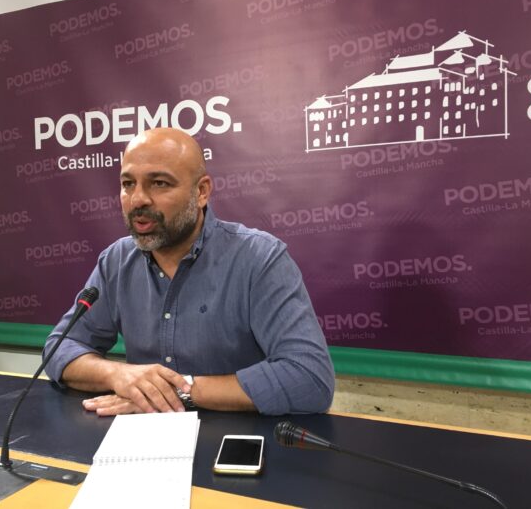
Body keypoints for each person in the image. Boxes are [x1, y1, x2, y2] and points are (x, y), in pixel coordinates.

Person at [43, 127, 334, 416]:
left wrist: (180, 391)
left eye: (159, 183)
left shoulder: (259, 258)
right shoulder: (116, 261)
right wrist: (117, 374)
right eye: (128, 184)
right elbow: (60, 347)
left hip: (234, 434)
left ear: (201, 191)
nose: (138, 199)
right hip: (140, 435)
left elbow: (310, 378)